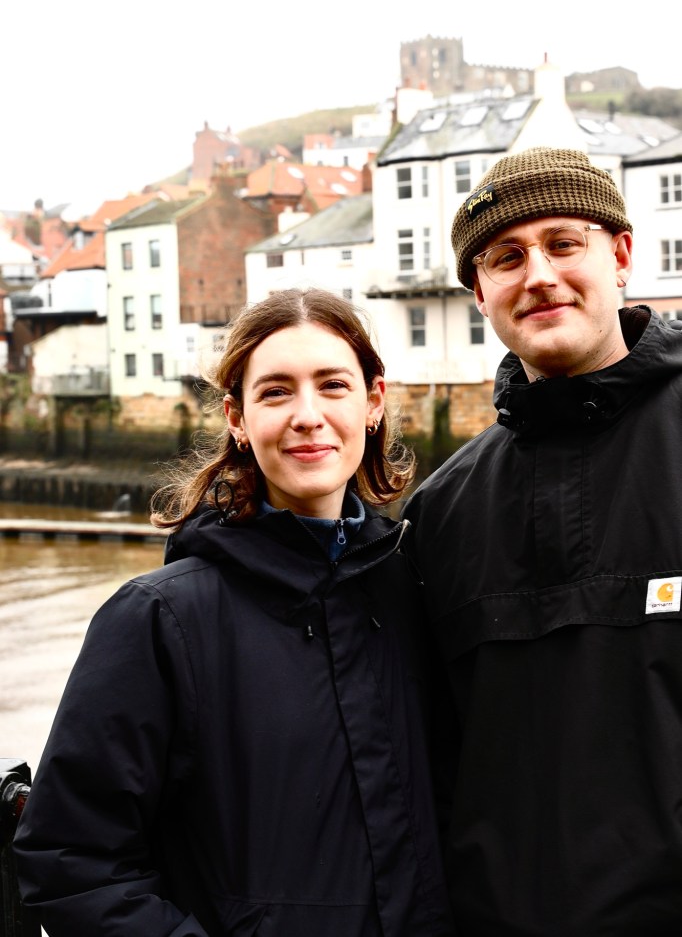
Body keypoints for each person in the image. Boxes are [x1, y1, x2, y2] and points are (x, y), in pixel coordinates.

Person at [14, 288, 453, 937]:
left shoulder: (414, 589)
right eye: (275, 392)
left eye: (333, 385)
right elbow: (71, 862)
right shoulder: (158, 620)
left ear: (373, 403)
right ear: (237, 418)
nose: (308, 415)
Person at [403, 147, 682, 935]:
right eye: (506, 257)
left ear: (621, 255)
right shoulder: (439, 515)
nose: (539, 275)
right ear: (479, 292)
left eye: (563, 243)